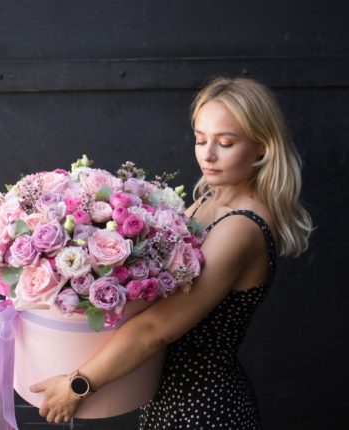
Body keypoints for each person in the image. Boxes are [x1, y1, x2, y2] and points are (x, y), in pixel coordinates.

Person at [30, 76, 313, 429]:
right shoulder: (207, 201)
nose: (208, 154)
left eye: (225, 143)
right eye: (201, 139)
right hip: (168, 399)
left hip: (204, 409)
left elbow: (157, 327)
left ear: (262, 147)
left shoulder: (242, 228)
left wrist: (78, 385)